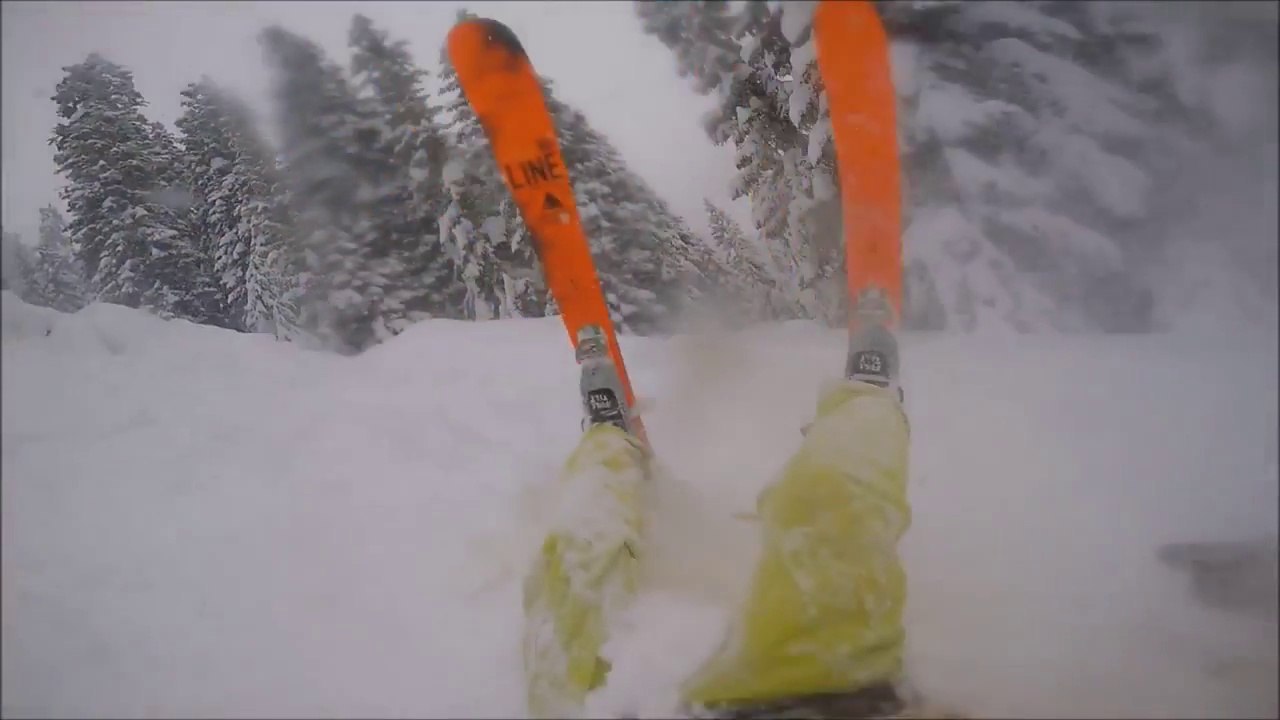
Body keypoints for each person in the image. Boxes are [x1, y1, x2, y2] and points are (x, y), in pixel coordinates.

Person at [522, 289, 912, 719]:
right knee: (830, 511)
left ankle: (609, 442)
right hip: (818, 690)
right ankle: (868, 399)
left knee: (579, 559)